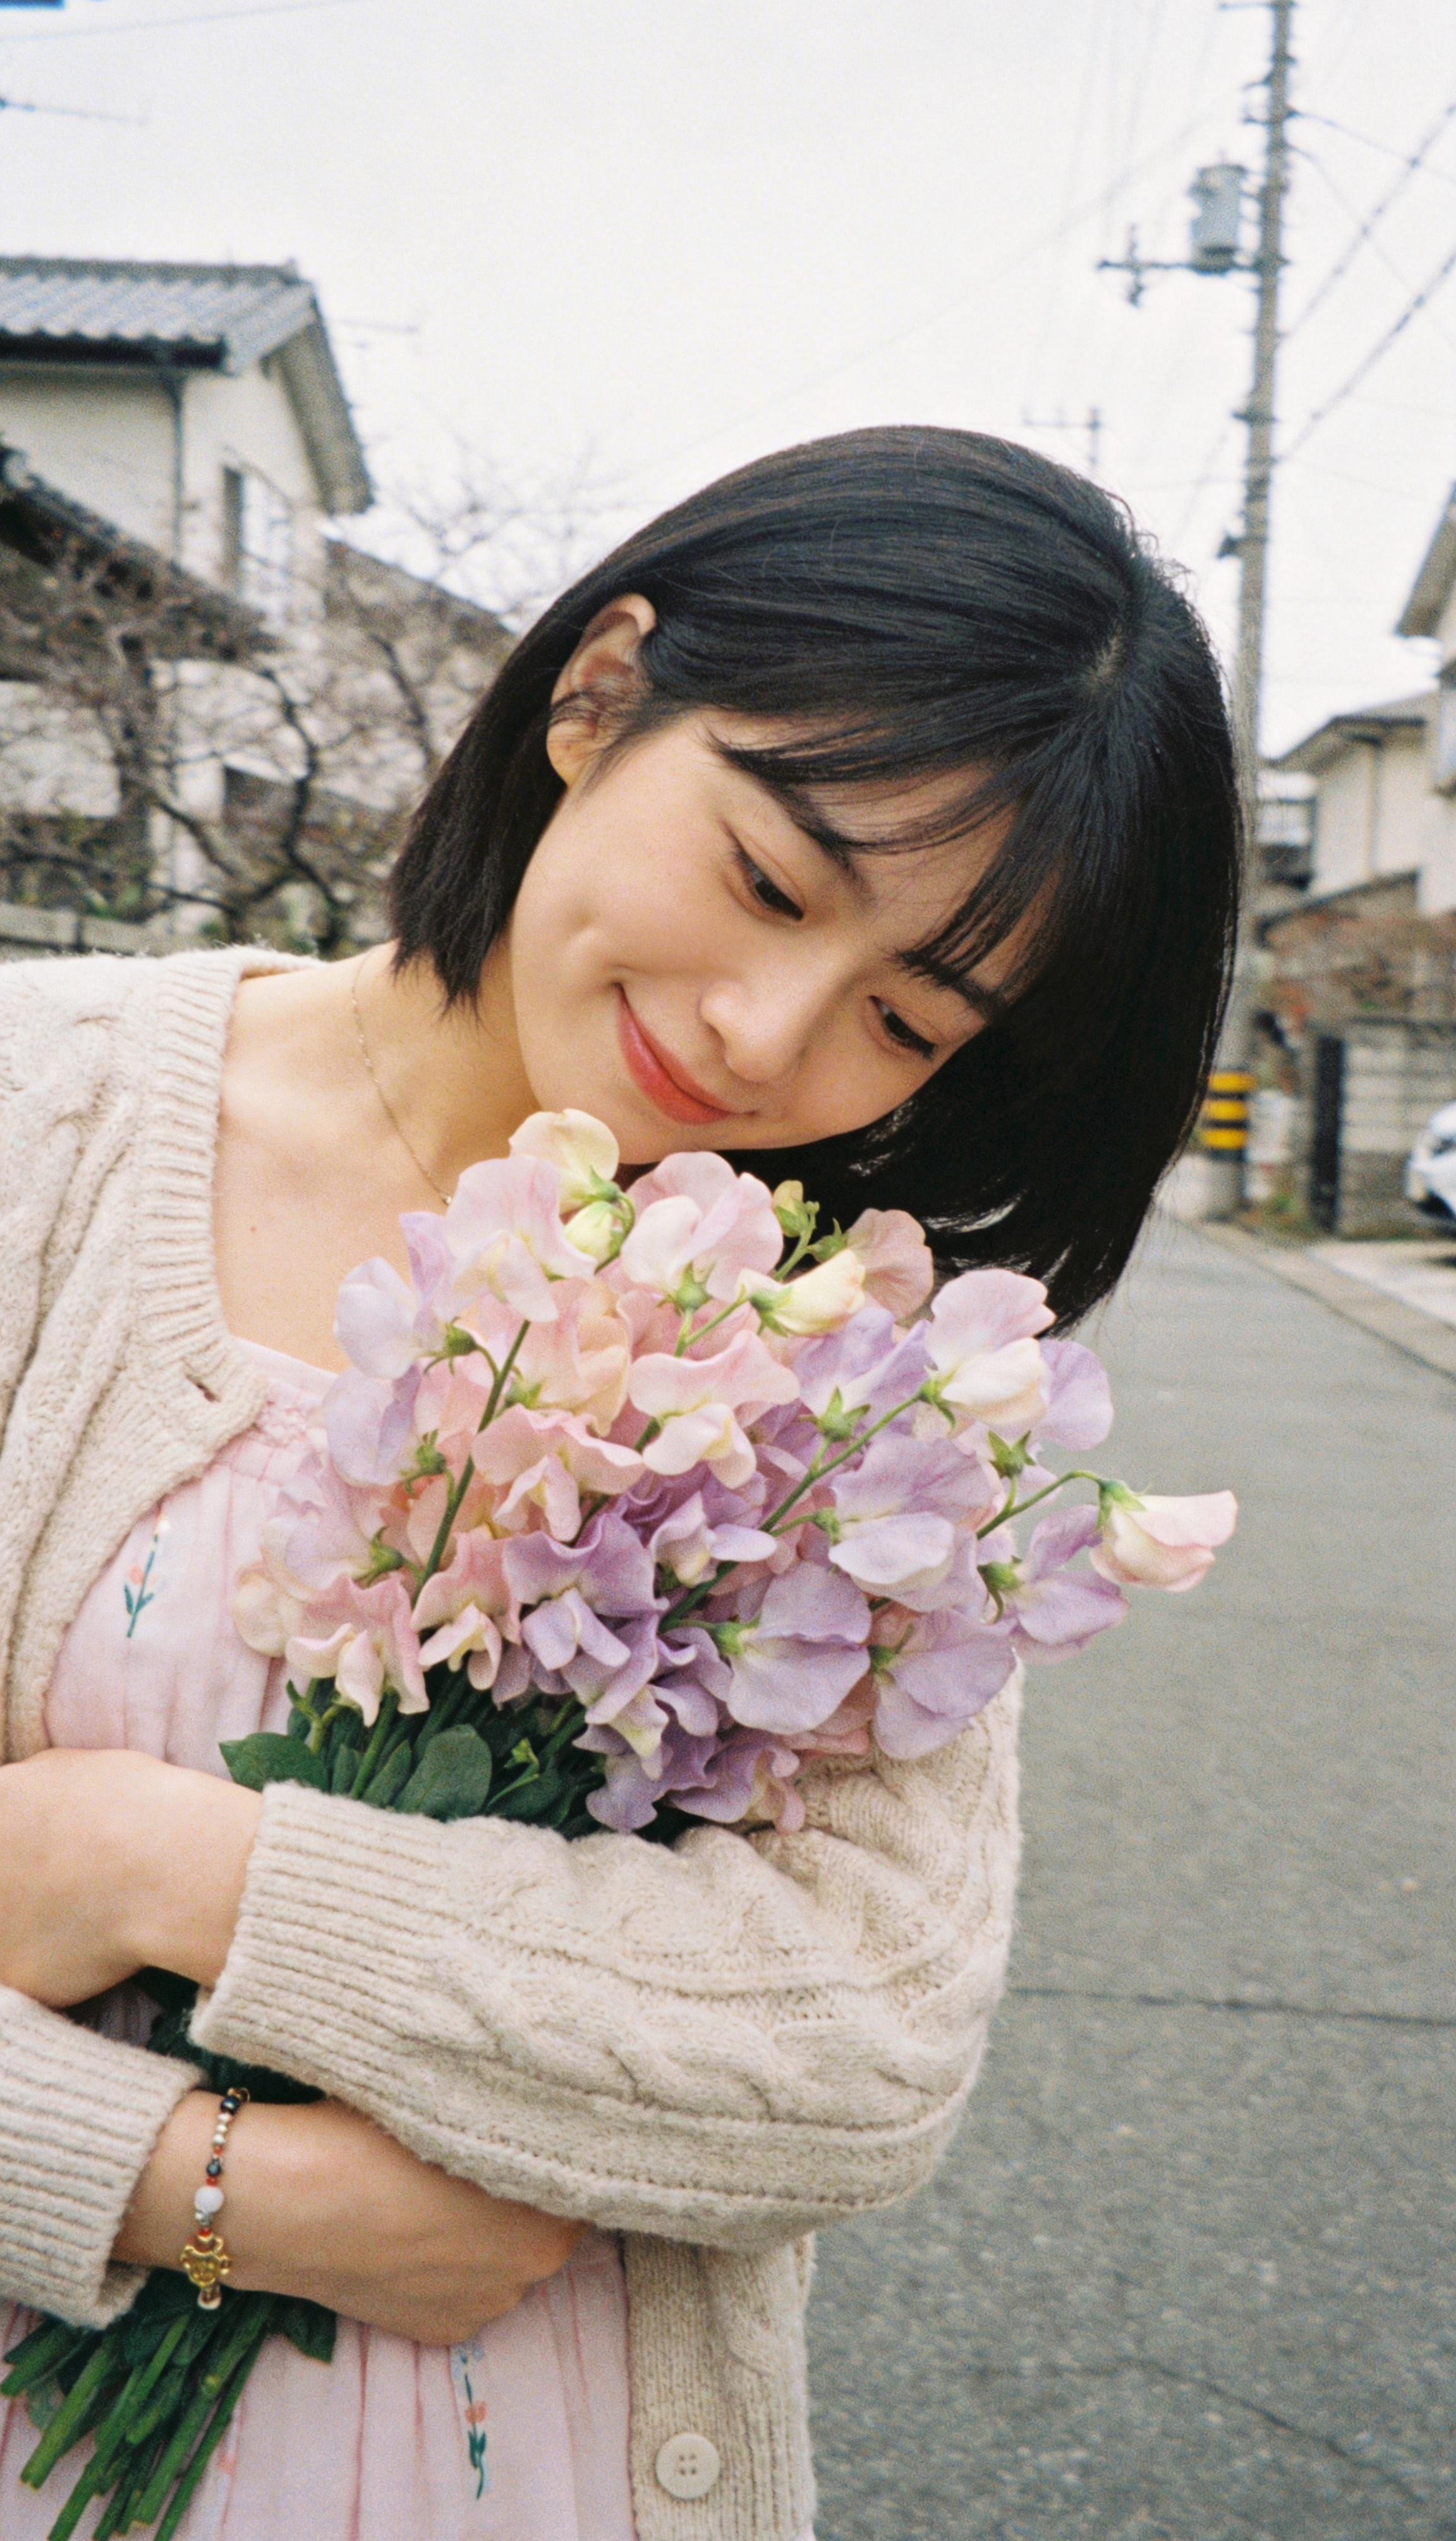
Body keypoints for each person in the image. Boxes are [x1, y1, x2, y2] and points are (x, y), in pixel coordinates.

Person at [0, 426, 1240, 2541]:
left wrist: (165, 1864)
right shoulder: (48, 1121)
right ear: (598, 693)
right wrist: (192, 2188)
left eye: (907, 1020)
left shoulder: (845, 1360)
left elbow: (859, 2043)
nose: (767, 1035)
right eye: (770, 880)